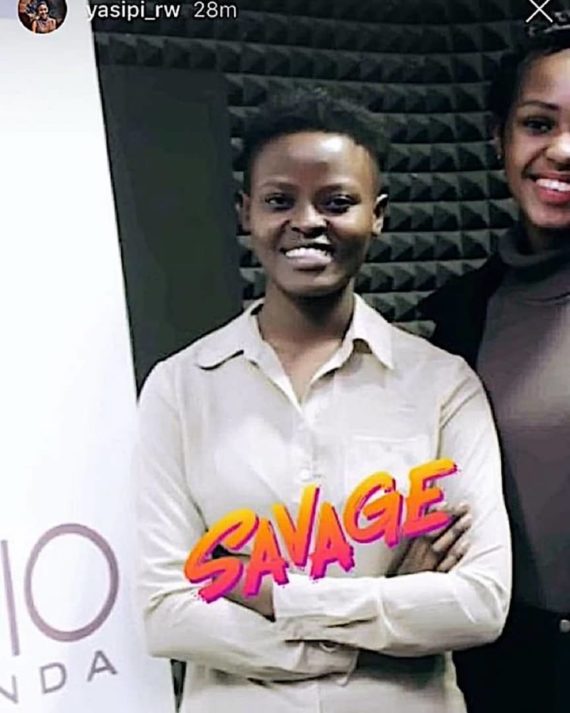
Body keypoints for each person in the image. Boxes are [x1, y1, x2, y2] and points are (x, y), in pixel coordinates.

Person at [135, 88, 511, 713]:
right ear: (245, 212)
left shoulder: (443, 385)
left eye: (337, 202)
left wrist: (279, 600)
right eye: (279, 200)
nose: (307, 221)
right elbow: (166, 613)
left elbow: (479, 603)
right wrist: (375, 629)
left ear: (378, 214)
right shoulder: (180, 387)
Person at [421, 17, 570, 713]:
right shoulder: (461, 314)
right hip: (512, 670)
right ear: (500, 140)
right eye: (538, 124)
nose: (561, 150)